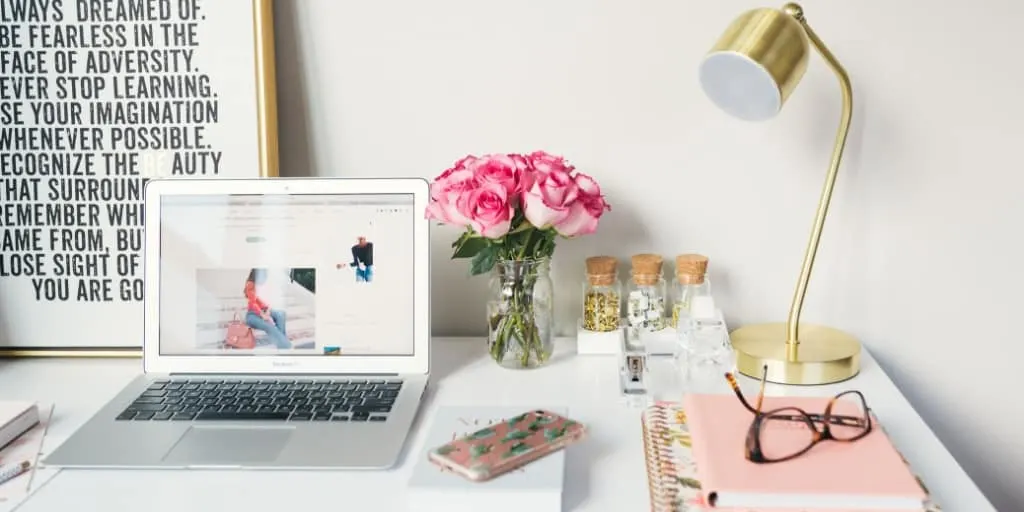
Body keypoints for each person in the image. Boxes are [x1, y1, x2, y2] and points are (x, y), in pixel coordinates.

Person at [242, 268, 291, 349]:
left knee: (281, 314)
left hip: (263, 311)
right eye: (264, 275)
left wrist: (267, 309)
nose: (265, 278)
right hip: (252, 315)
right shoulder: (250, 284)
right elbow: (253, 303)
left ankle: (282, 343)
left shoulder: (260, 285)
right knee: (269, 326)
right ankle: (286, 346)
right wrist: (263, 315)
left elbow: (261, 302)